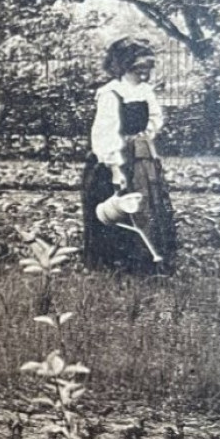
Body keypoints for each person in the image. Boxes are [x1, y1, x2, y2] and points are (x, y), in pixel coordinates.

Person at [82, 38, 177, 275]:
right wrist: (115, 168)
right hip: (117, 160)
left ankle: (147, 261)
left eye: (147, 66)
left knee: (146, 204)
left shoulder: (145, 92)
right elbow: (104, 133)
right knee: (118, 206)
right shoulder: (111, 93)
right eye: (138, 66)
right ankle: (116, 264)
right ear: (125, 65)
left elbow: (155, 118)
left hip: (142, 157)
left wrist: (146, 133)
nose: (144, 71)